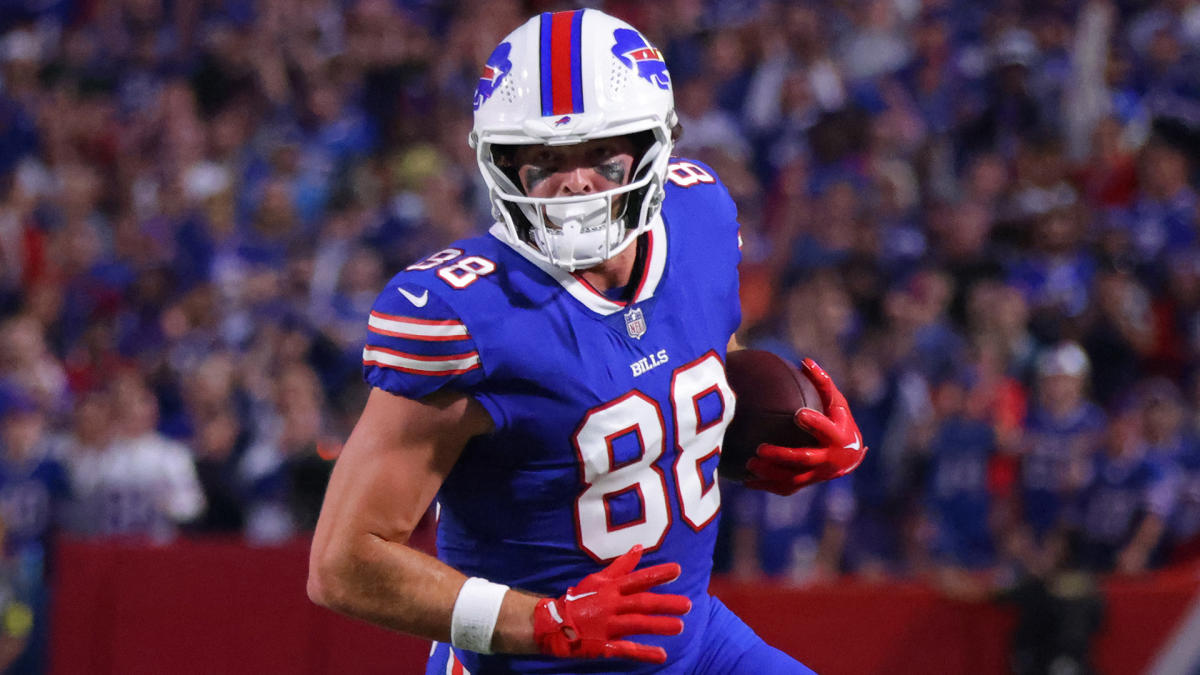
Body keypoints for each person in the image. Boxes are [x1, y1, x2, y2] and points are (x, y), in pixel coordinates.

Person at [308, 9, 865, 673]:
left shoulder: (700, 219)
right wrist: (539, 620)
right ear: (501, 165)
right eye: (544, 158)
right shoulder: (467, 315)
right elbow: (343, 562)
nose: (574, 182)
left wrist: (786, 430)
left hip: (695, 642)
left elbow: (700, 363)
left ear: (651, 147)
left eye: (601, 156)